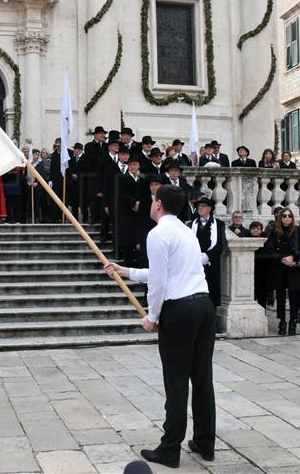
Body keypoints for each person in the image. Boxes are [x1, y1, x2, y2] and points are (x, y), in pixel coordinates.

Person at [105, 184, 216, 469]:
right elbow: (162, 273)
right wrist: (126, 271)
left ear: (157, 205)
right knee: (202, 378)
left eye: (153, 199)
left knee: (177, 381)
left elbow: (159, 283)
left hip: (179, 310)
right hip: (204, 306)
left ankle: (169, 450)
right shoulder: (185, 232)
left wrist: (152, 317)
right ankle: (205, 443)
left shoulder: (157, 234)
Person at [264, 209, 300, 335]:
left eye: (289, 216)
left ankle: (293, 322)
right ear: (280, 218)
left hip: (293, 266)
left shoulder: (298, 231)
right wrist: (281, 258)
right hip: (279, 267)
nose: (287, 218)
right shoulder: (275, 232)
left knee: (294, 296)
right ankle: (282, 321)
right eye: (284, 216)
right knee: (280, 296)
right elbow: (269, 249)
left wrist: (293, 257)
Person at [189, 197, 227, 309]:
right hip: (195, 262)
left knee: (211, 291)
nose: (200, 208)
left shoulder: (218, 224)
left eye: (203, 206)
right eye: (199, 206)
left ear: (209, 208)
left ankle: (211, 320)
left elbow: (220, 244)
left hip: (212, 263)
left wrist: (207, 256)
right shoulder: (192, 224)